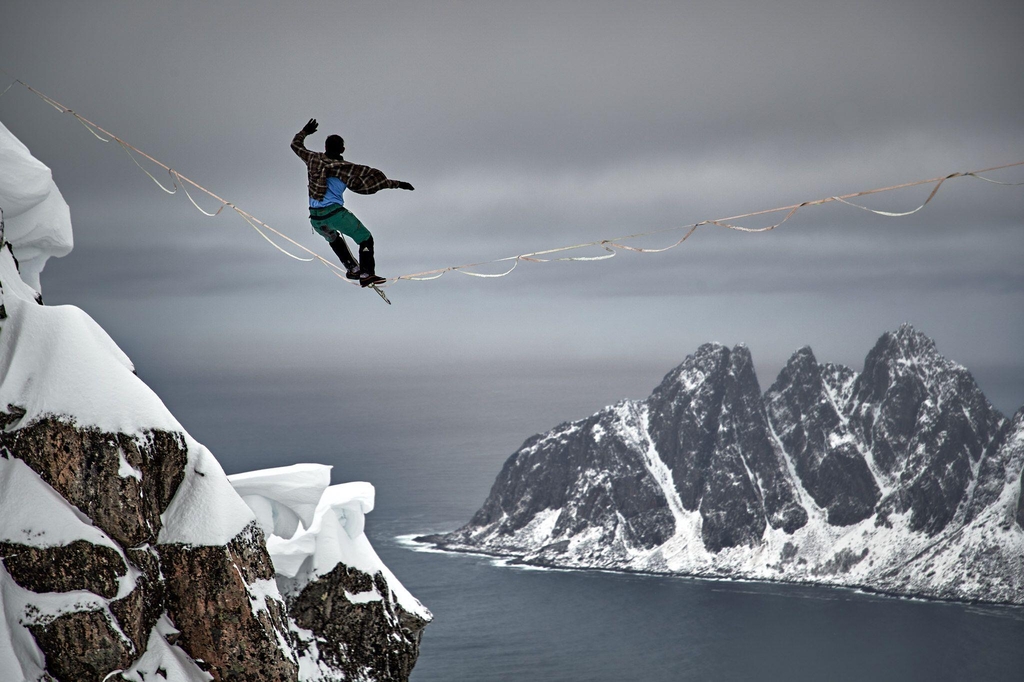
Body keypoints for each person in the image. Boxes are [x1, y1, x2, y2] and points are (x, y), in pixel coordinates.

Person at [291, 118, 414, 287]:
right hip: (335, 214)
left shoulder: (313, 159)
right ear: (342, 149)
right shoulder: (346, 169)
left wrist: (304, 131)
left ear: (326, 147)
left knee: (333, 237)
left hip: (315, 219)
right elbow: (371, 183)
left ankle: (352, 268)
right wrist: (398, 184)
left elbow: (296, 145)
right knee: (365, 238)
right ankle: (366, 273)